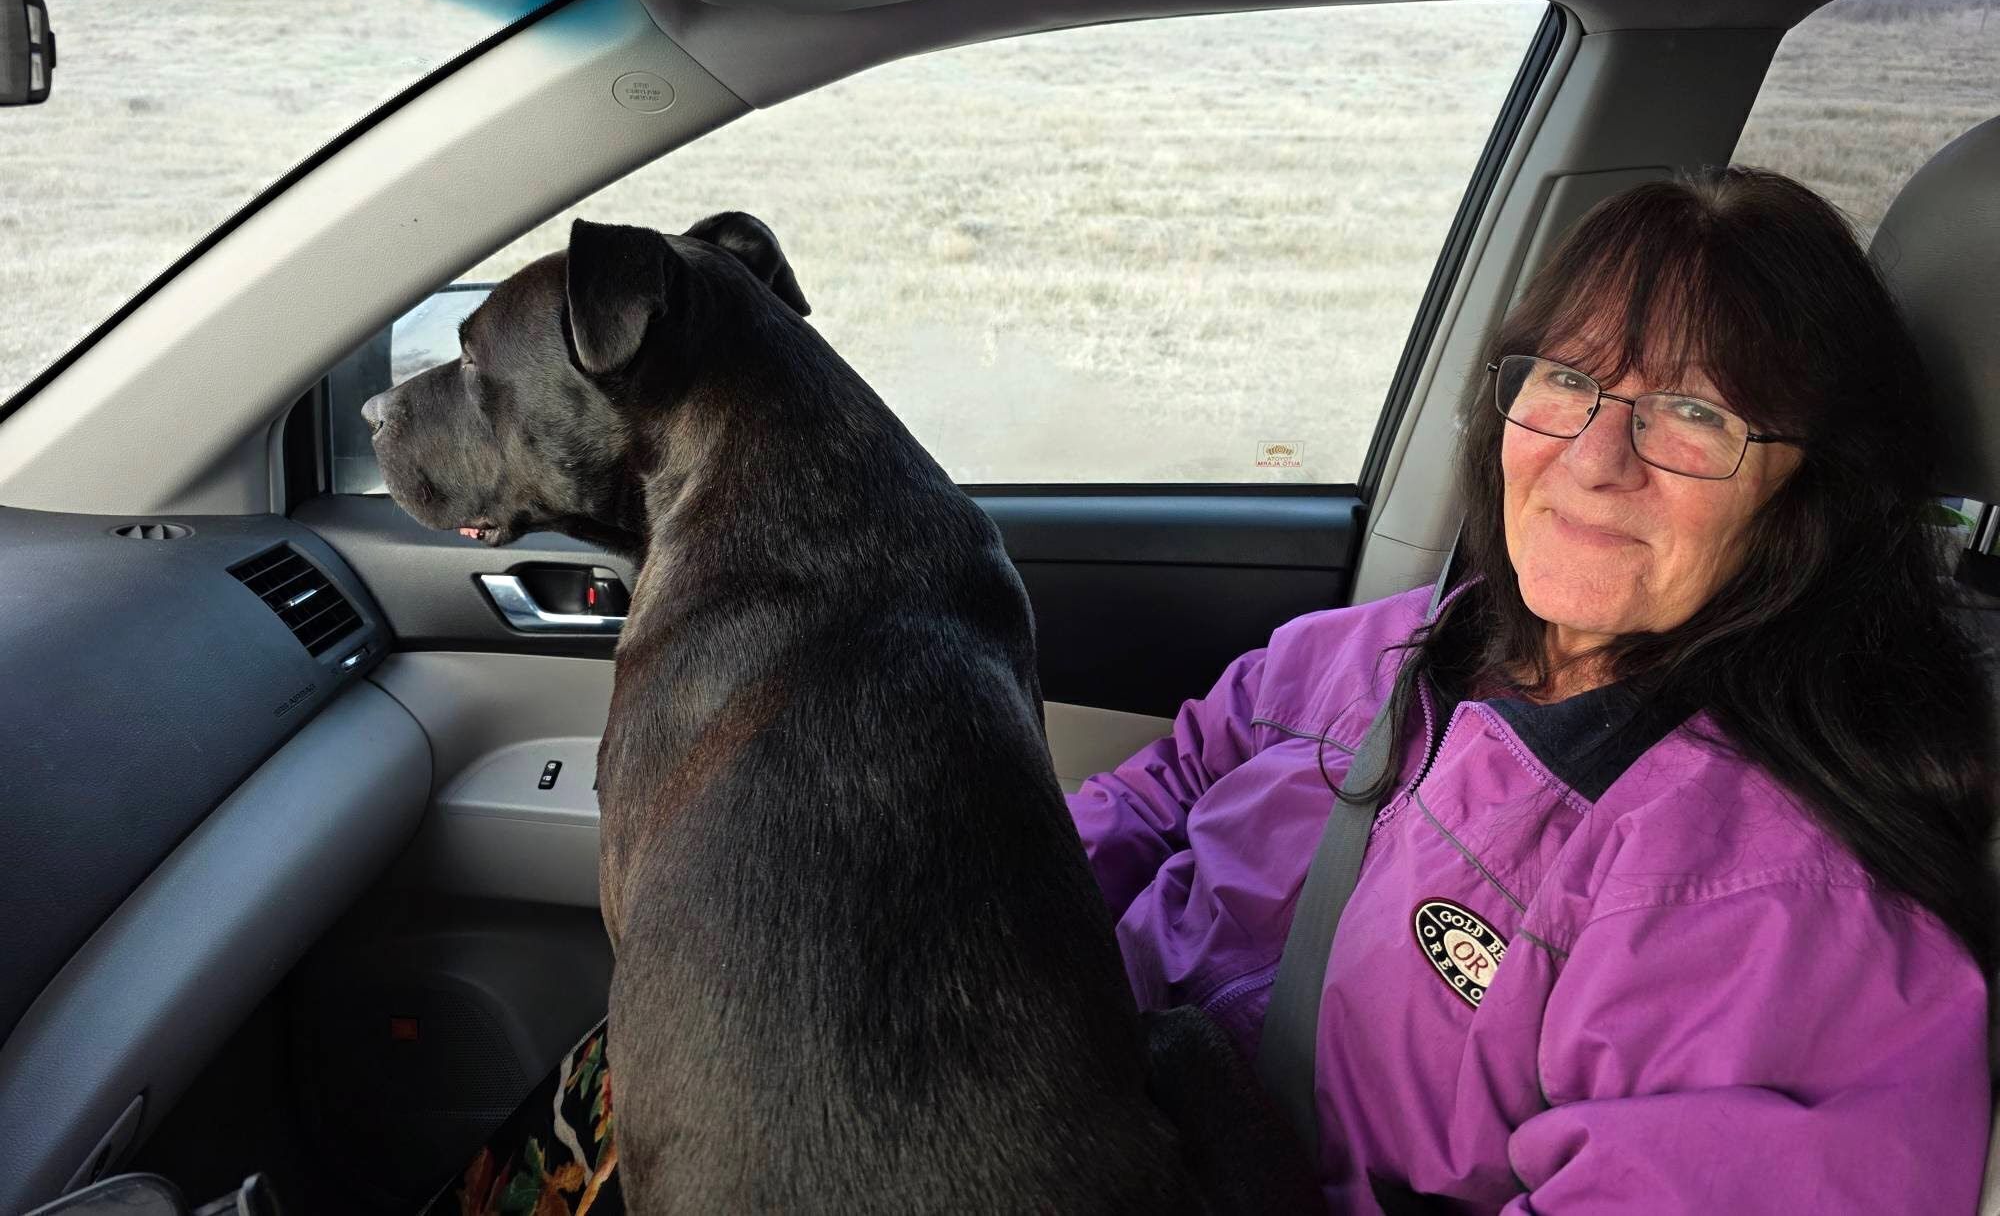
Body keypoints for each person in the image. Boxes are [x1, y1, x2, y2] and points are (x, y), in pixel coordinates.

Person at [431, 167, 1996, 1214]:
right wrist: (912, 969)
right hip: (1031, 1112)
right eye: (1568, 383)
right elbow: (1155, 793)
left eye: (1694, 418)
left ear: (1806, 491)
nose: (1594, 457)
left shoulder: (1772, 903)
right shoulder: (1385, 651)